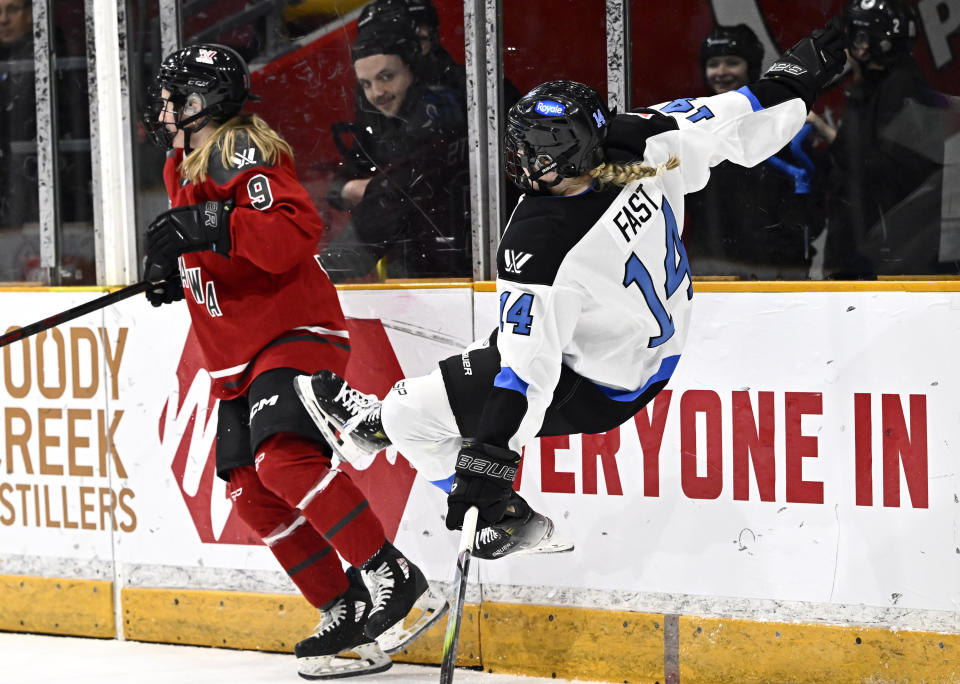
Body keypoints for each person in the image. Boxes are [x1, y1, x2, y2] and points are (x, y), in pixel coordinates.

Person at [295, 22, 848, 555]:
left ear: (547, 159)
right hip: (651, 348)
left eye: (525, 152)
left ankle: (490, 512)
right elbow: (734, 119)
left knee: (416, 413)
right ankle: (376, 431)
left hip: (596, 385)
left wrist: (488, 465)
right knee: (486, 360)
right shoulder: (639, 140)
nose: (517, 162)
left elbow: (525, 373)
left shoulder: (540, 242)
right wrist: (795, 83)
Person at [140, 43, 445, 680]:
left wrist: (211, 225)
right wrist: (177, 267)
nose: (163, 107)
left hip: (289, 331)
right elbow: (213, 239)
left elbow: (292, 233)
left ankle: (390, 573)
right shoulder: (184, 161)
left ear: (199, 101)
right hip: (237, 355)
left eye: (173, 96)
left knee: (284, 459)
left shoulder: (236, 148)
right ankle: (348, 612)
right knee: (251, 489)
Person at [320, 17, 471, 280]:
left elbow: (393, 196)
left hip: (454, 267)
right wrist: (348, 188)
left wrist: (326, 269)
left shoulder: (437, 113)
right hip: (421, 262)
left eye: (386, 77)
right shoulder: (387, 117)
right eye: (366, 84)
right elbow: (346, 179)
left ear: (412, 69)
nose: (377, 92)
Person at [684, 23, 831, 279]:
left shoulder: (782, 125)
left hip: (774, 274)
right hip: (713, 270)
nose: (721, 72)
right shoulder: (690, 125)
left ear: (751, 67)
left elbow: (813, 207)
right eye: (713, 63)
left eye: (732, 62)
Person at [824, 0, 955, 277]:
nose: (848, 46)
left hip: (892, 265)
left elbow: (891, 176)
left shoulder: (901, 89)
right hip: (876, 256)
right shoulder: (872, 86)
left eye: (856, 36)